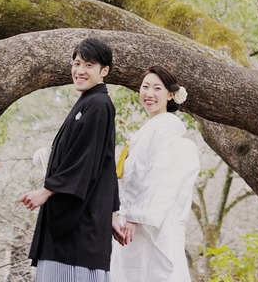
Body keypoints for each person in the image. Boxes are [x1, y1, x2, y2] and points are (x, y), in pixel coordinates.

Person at [20, 36, 122, 282]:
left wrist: (47, 191)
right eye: (77, 63)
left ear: (104, 71)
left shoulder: (98, 104)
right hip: (80, 215)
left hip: (81, 221)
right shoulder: (88, 102)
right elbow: (105, 164)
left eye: (88, 65)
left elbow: (86, 160)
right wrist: (113, 211)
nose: (80, 71)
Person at [111, 65, 200, 282]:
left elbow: (160, 177)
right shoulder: (149, 128)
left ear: (170, 94)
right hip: (132, 219)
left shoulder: (166, 128)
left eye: (157, 88)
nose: (149, 94)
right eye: (145, 87)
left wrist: (136, 217)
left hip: (148, 223)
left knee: (150, 272)